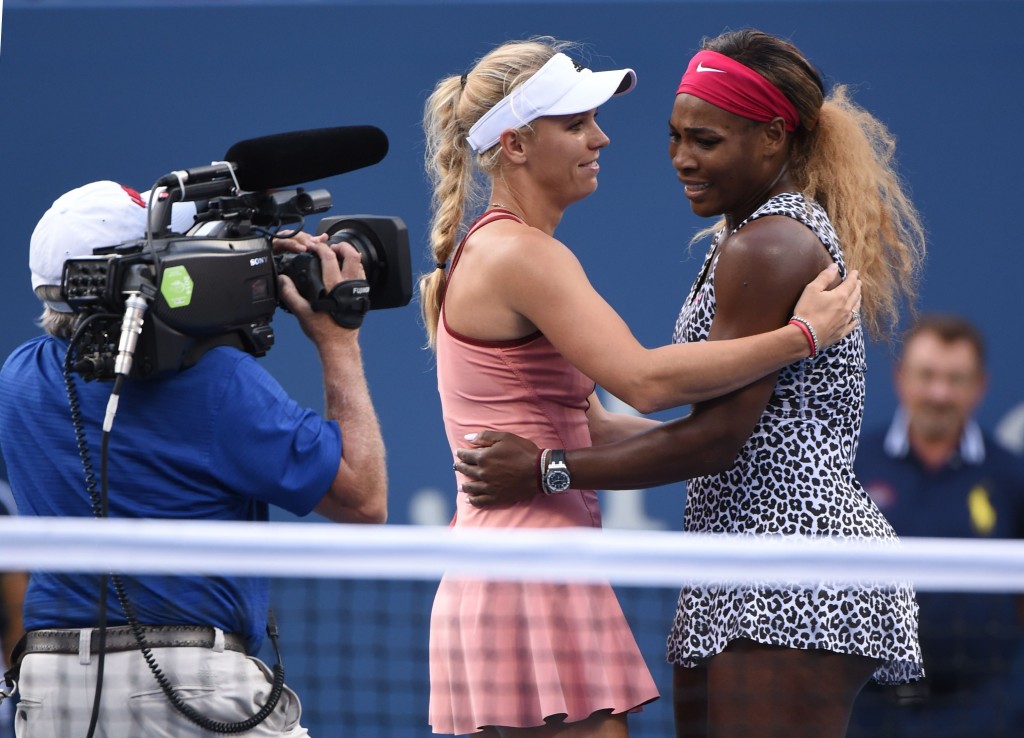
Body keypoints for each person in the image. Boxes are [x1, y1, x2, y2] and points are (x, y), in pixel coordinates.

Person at [453, 29, 928, 737]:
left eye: (705, 141)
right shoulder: (748, 238)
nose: (681, 158)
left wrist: (549, 469)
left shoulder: (768, 244)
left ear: (771, 138)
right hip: (740, 566)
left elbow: (712, 439)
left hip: (790, 572)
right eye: (676, 137)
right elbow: (703, 428)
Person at [0, 180, 387, 736]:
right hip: (191, 692)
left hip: (50, 693)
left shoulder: (19, 377)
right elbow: (363, 498)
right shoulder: (219, 383)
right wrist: (337, 339)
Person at [848, 314, 1024, 738]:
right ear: (900, 378)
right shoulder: (852, 467)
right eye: (927, 375)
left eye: (955, 379)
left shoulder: (1010, 477)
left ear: (979, 386)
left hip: (984, 711)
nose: (939, 393)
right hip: (864, 709)